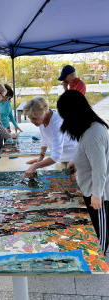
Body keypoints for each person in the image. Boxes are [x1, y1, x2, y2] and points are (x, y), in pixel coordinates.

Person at [57, 89, 109, 253]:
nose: (64, 119)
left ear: (74, 113)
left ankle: (99, 254)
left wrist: (97, 195)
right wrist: (75, 163)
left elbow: (100, 169)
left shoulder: (93, 135)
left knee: (100, 229)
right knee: (93, 225)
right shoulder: (88, 128)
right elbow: (87, 155)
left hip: (99, 192)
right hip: (90, 187)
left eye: (64, 115)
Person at [21, 96, 78, 181]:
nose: (32, 122)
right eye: (30, 118)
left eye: (34, 118)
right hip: (62, 158)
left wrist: (35, 166)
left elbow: (56, 156)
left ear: (44, 113)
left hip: (73, 158)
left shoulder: (56, 125)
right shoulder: (42, 118)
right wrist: (41, 157)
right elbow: (44, 138)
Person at [0, 84, 23, 154]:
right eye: (6, 96)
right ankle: (1, 163)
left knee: (8, 146)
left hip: (7, 126)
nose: (7, 99)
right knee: (0, 147)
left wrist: (16, 125)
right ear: (2, 94)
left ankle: (8, 161)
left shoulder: (8, 101)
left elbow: (10, 115)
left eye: (9, 97)